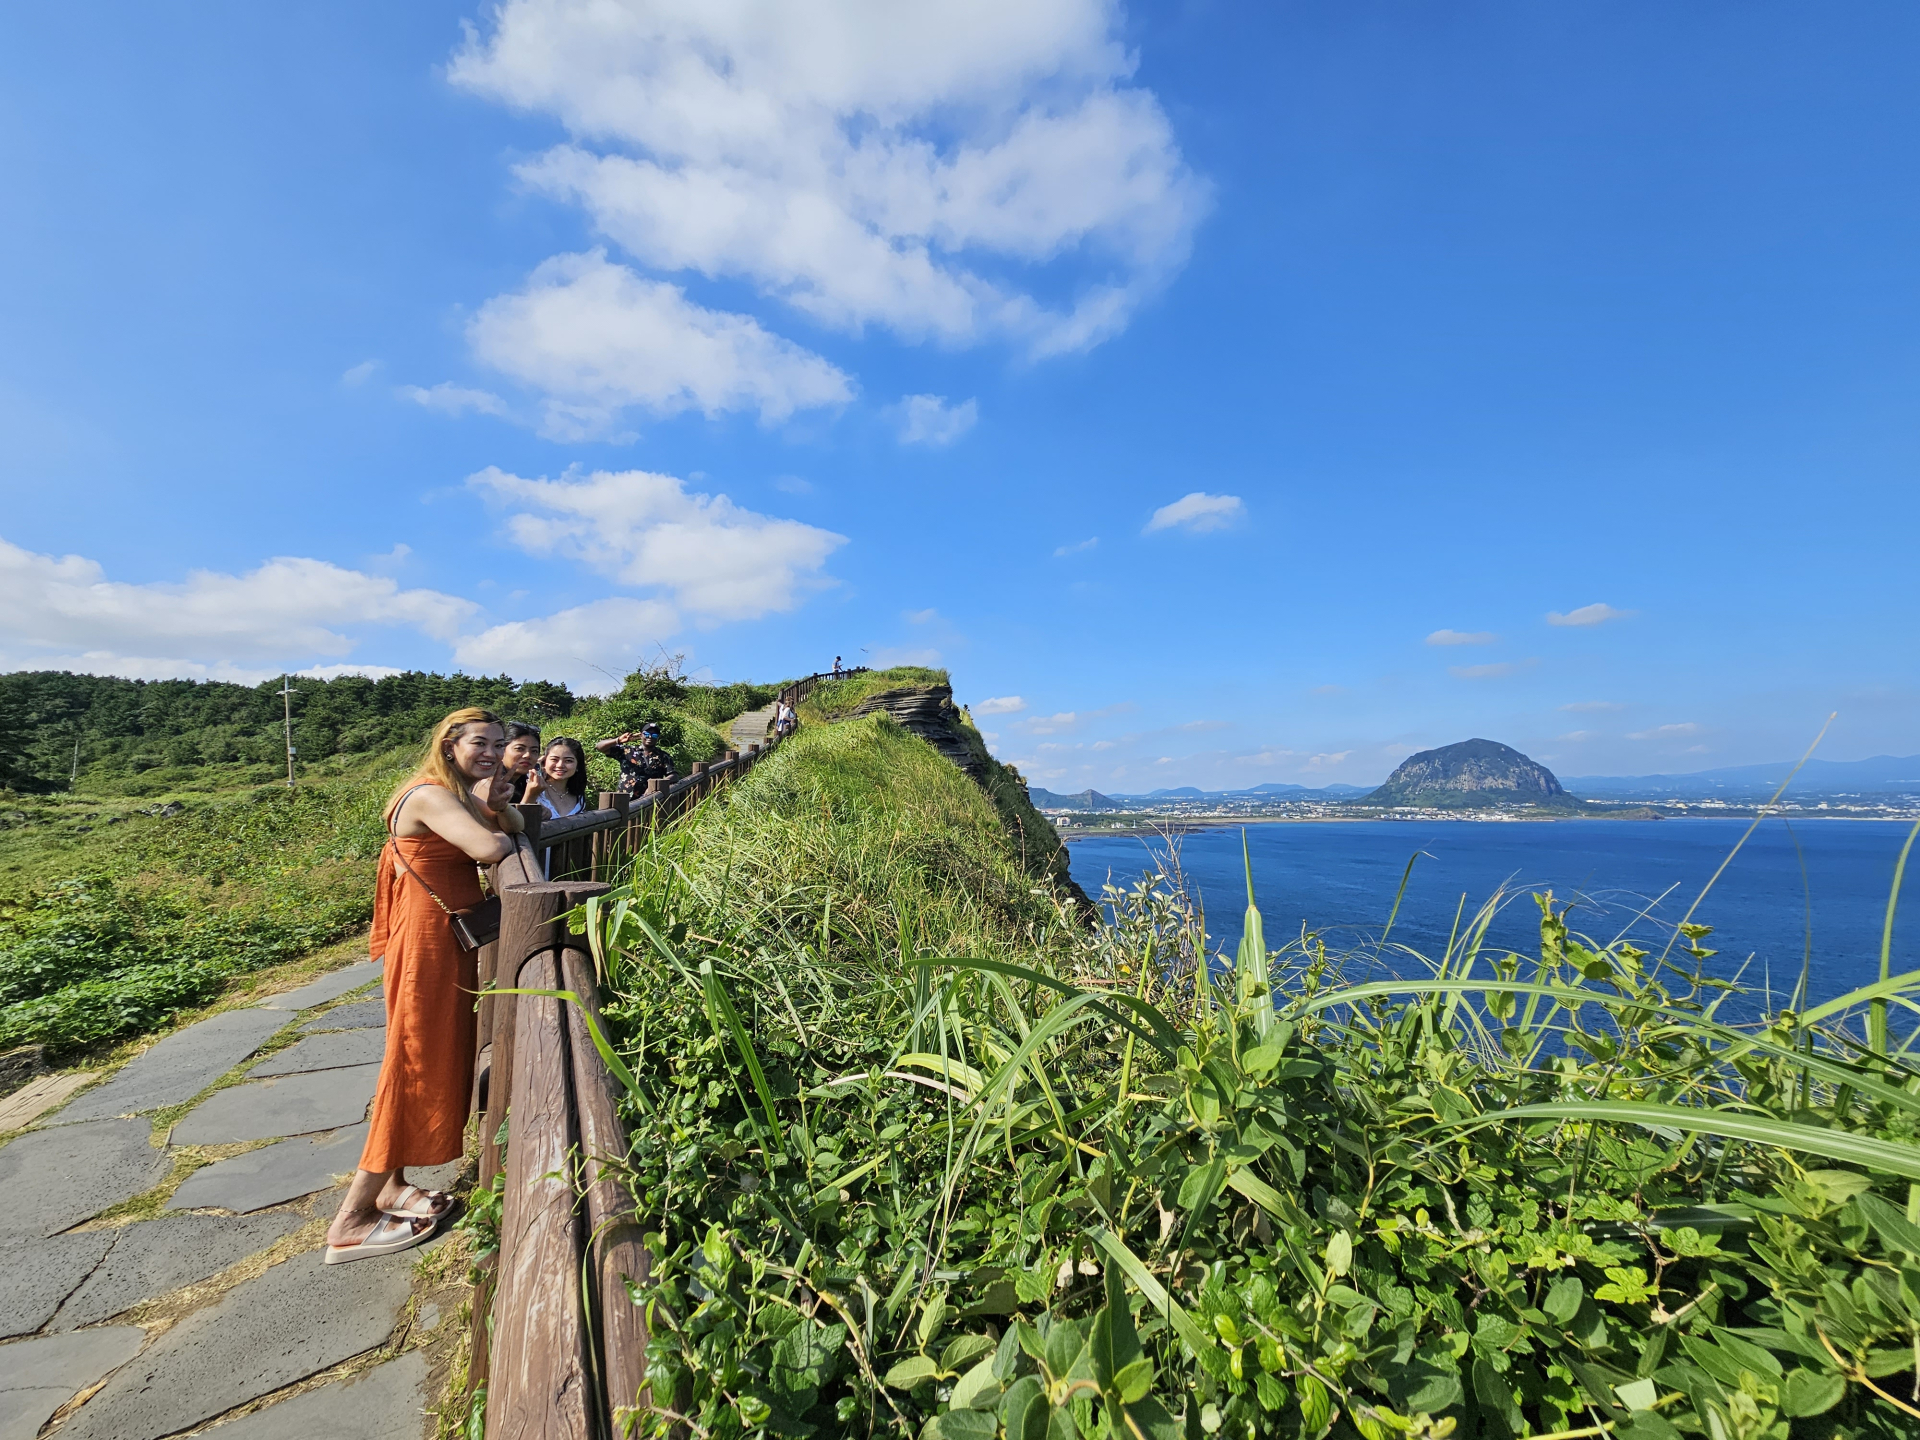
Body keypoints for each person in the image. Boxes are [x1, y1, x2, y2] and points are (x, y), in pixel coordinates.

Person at [324, 707, 523, 1263]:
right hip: (427, 943)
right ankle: (354, 1215)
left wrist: (497, 809)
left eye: (498, 744)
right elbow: (491, 850)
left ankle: (392, 1185)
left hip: (438, 938)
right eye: (480, 743)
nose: (492, 752)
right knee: (412, 1059)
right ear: (450, 743)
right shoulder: (433, 795)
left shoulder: (454, 793)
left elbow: (514, 828)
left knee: (426, 1054)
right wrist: (495, 822)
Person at [596, 723, 677, 798]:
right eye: (646, 734)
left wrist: (656, 786)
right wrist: (618, 740)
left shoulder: (663, 756)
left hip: (649, 799)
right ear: (641, 735)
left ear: (658, 737)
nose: (650, 737)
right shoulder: (627, 751)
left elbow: (673, 776)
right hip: (624, 798)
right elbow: (600, 747)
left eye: (654, 735)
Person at [524, 736, 589, 820]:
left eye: (568, 761)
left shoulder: (578, 795)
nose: (560, 765)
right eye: (554, 759)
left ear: (577, 766)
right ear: (544, 762)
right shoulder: (532, 786)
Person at [500, 721, 541, 803]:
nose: (527, 755)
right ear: (502, 749)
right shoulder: (490, 783)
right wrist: (530, 797)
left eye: (534, 751)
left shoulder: (522, 783)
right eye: (519, 749)